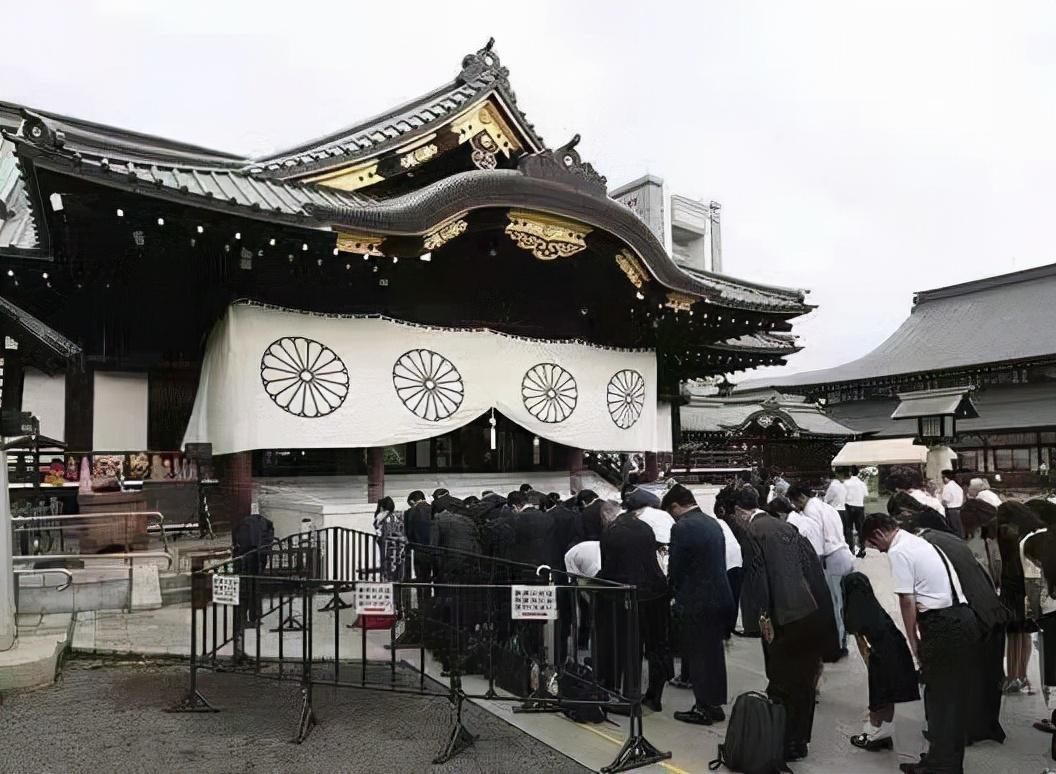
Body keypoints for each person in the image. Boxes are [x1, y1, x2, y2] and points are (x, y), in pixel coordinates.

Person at [862, 513, 977, 774]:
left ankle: (942, 767)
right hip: (962, 618)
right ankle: (944, 760)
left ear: (879, 534)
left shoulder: (899, 550)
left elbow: (907, 599)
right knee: (952, 698)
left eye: (875, 544)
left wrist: (913, 640)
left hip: (942, 625)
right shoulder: (920, 542)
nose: (879, 550)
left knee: (940, 700)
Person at [737, 488, 833, 761]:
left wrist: (763, 618)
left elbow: (759, 579)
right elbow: (812, 568)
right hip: (810, 613)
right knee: (804, 682)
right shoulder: (787, 528)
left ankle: (783, 740)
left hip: (785, 618)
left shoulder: (754, 532)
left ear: (739, 513)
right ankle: (799, 741)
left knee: (783, 681)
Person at [662, 483, 735, 724]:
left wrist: (673, 592)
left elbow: (678, 567)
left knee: (698, 655)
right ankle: (714, 704)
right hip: (721, 595)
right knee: (714, 655)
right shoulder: (712, 522)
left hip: (696, 600)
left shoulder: (683, 527)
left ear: (675, 506)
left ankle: (703, 708)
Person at [598, 498, 671, 711]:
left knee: (630, 647)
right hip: (655, 592)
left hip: (627, 596)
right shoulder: (643, 527)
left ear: (605, 515)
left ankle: (629, 698)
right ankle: (654, 696)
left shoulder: (612, 531)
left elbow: (608, 569)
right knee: (657, 645)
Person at [842, 572, 920, 754]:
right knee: (888, 693)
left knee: (879, 693)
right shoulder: (874, 609)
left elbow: (863, 647)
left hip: (882, 656)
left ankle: (874, 734)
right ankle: (884, 732)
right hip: (897, 652)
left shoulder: (857, 613)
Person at [788, 484, 854, 656]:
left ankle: (839, 645)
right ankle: (842, 640)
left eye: (795, 502)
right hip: (844, 554)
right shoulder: (825, 506)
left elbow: (816, 540)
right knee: (843, 603)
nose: (795, 507)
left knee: (835, 604)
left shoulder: (810, 510)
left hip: (832, 557)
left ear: (801, 497)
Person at [997, 500, 1045, 694]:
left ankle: (1012, 676)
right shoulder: (1032, 530)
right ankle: (1022, 675)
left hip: (1010, 585)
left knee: (1012, 633)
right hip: (1026, 584)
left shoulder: (1005, 532)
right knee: (1024, 632)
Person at [232, 507, 275, 627]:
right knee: (256, 589)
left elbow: (235, 541)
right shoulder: (267, 523)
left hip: (244, 559)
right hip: (258, 558)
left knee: (244, 590)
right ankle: (255, 617)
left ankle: (241, 618)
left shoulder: (241, 523)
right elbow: (269, 542)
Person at [403, 491, 434, 583]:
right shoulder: (433, 508)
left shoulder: (410, 512)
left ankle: (422, 596)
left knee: (421, 576)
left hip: (419, 548)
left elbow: (409, 532)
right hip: (434, 547)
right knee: (433, 576)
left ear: (412, 501)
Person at [844, 467, 868, 555]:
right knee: (860, 529)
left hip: (849, 506)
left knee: (848, 528)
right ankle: (862, 548)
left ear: (850, 472)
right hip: (860, 506)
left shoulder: (846, 483)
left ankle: (851, 549)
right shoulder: (862, 483)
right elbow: (865, 494)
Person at [824, 470, 849, 550]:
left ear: (829, 478)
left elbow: (826, 499)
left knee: (835, 532)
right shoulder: (842, 485)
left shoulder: (832, 486)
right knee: (844, 531)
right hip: (843, 510)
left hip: (835, 510)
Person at [939, 470, 964, 538]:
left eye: (942, 478)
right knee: (960, 529)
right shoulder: (957, 486)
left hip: (951, 511)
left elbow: (945, 501)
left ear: (946, 478)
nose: (942, 480)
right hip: (959, 509)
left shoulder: (947, 486)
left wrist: (939, 500)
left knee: (953, 530)